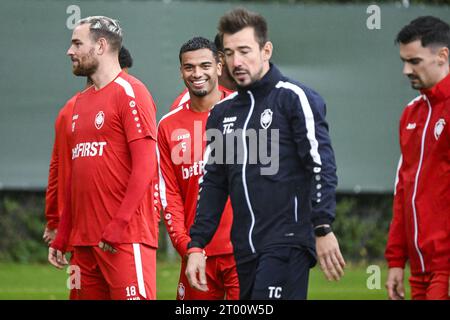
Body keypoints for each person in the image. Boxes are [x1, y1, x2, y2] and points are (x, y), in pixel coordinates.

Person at [185, 8, 345, 300]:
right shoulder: (221, 113)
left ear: (266, 50)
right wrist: (197, 244)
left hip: (287, 243)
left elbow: (320, 165)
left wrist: (322, 227)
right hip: (244, 249)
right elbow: (214, 183)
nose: (236, 61)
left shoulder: (294, 98)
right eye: (229, 53)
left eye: (245, 51)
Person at [48, 16, 159, 300]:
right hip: (83, 244)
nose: (69, 51)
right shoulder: (79, 104)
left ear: (100, 46)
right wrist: (63, 233)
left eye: (76, 43)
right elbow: (76, 180)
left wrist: (119, 224)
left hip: (123, 239)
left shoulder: (131, 92)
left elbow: (146, 166)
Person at [157, 37, 239, 300]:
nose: (197, 73)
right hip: (197, 253)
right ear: (181, 71)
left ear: (219, 65)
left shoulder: (247, 111)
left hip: (244, 251)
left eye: (205, 65)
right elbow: (170, 197)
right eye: (189, 67)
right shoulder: (168, 125)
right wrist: (188, 247)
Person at [385, 16, 450, 300]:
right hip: (419, 269)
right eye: (403, 60)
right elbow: (403, 191)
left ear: (442, 56)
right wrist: (396, 261)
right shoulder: (411, 113)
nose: (405, 70)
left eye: (414, 61)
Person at [43, 46, 134, 245]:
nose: (122, 82)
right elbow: (57, 168)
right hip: (94, 224)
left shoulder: (68, 109)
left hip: (85, 228)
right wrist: (54, 221)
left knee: (80, 276)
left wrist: (53, 221)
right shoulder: (76, 110)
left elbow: (55, 168)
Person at [168, 34, 237, 111]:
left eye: (245, 52)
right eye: (189, 67)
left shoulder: (244, 102)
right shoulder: (181, 105)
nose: (197, 74)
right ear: (221, 58)